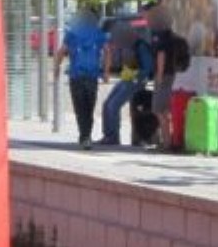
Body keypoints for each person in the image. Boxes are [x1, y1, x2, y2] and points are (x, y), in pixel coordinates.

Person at [54, 9, 109, 149]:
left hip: (76, 76)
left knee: (80, 108)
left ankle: (84, 136)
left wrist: (57, 68)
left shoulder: (72, 33)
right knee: (89, 107)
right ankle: (86, 135)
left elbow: (61, 51)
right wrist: (106, 72)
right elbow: (108, 51)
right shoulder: (98, 33)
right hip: (92, 76)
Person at [98, 19, 154, 146]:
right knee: (107, 104)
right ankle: (108, 135)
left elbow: (147, 68)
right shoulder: (127, 45)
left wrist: (136, 76)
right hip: (127, 79)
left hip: (135, 81)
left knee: (113, 105)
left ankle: (112, 137)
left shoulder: (140, 46)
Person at [148, 5, 177, 149]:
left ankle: (166, 143)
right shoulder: (170, 34)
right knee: (164, 109)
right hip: (170, 73)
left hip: (163, 75)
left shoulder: (160, 35)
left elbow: (161, 55)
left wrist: (159, 75)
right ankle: (166, 140)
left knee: (159, 109)